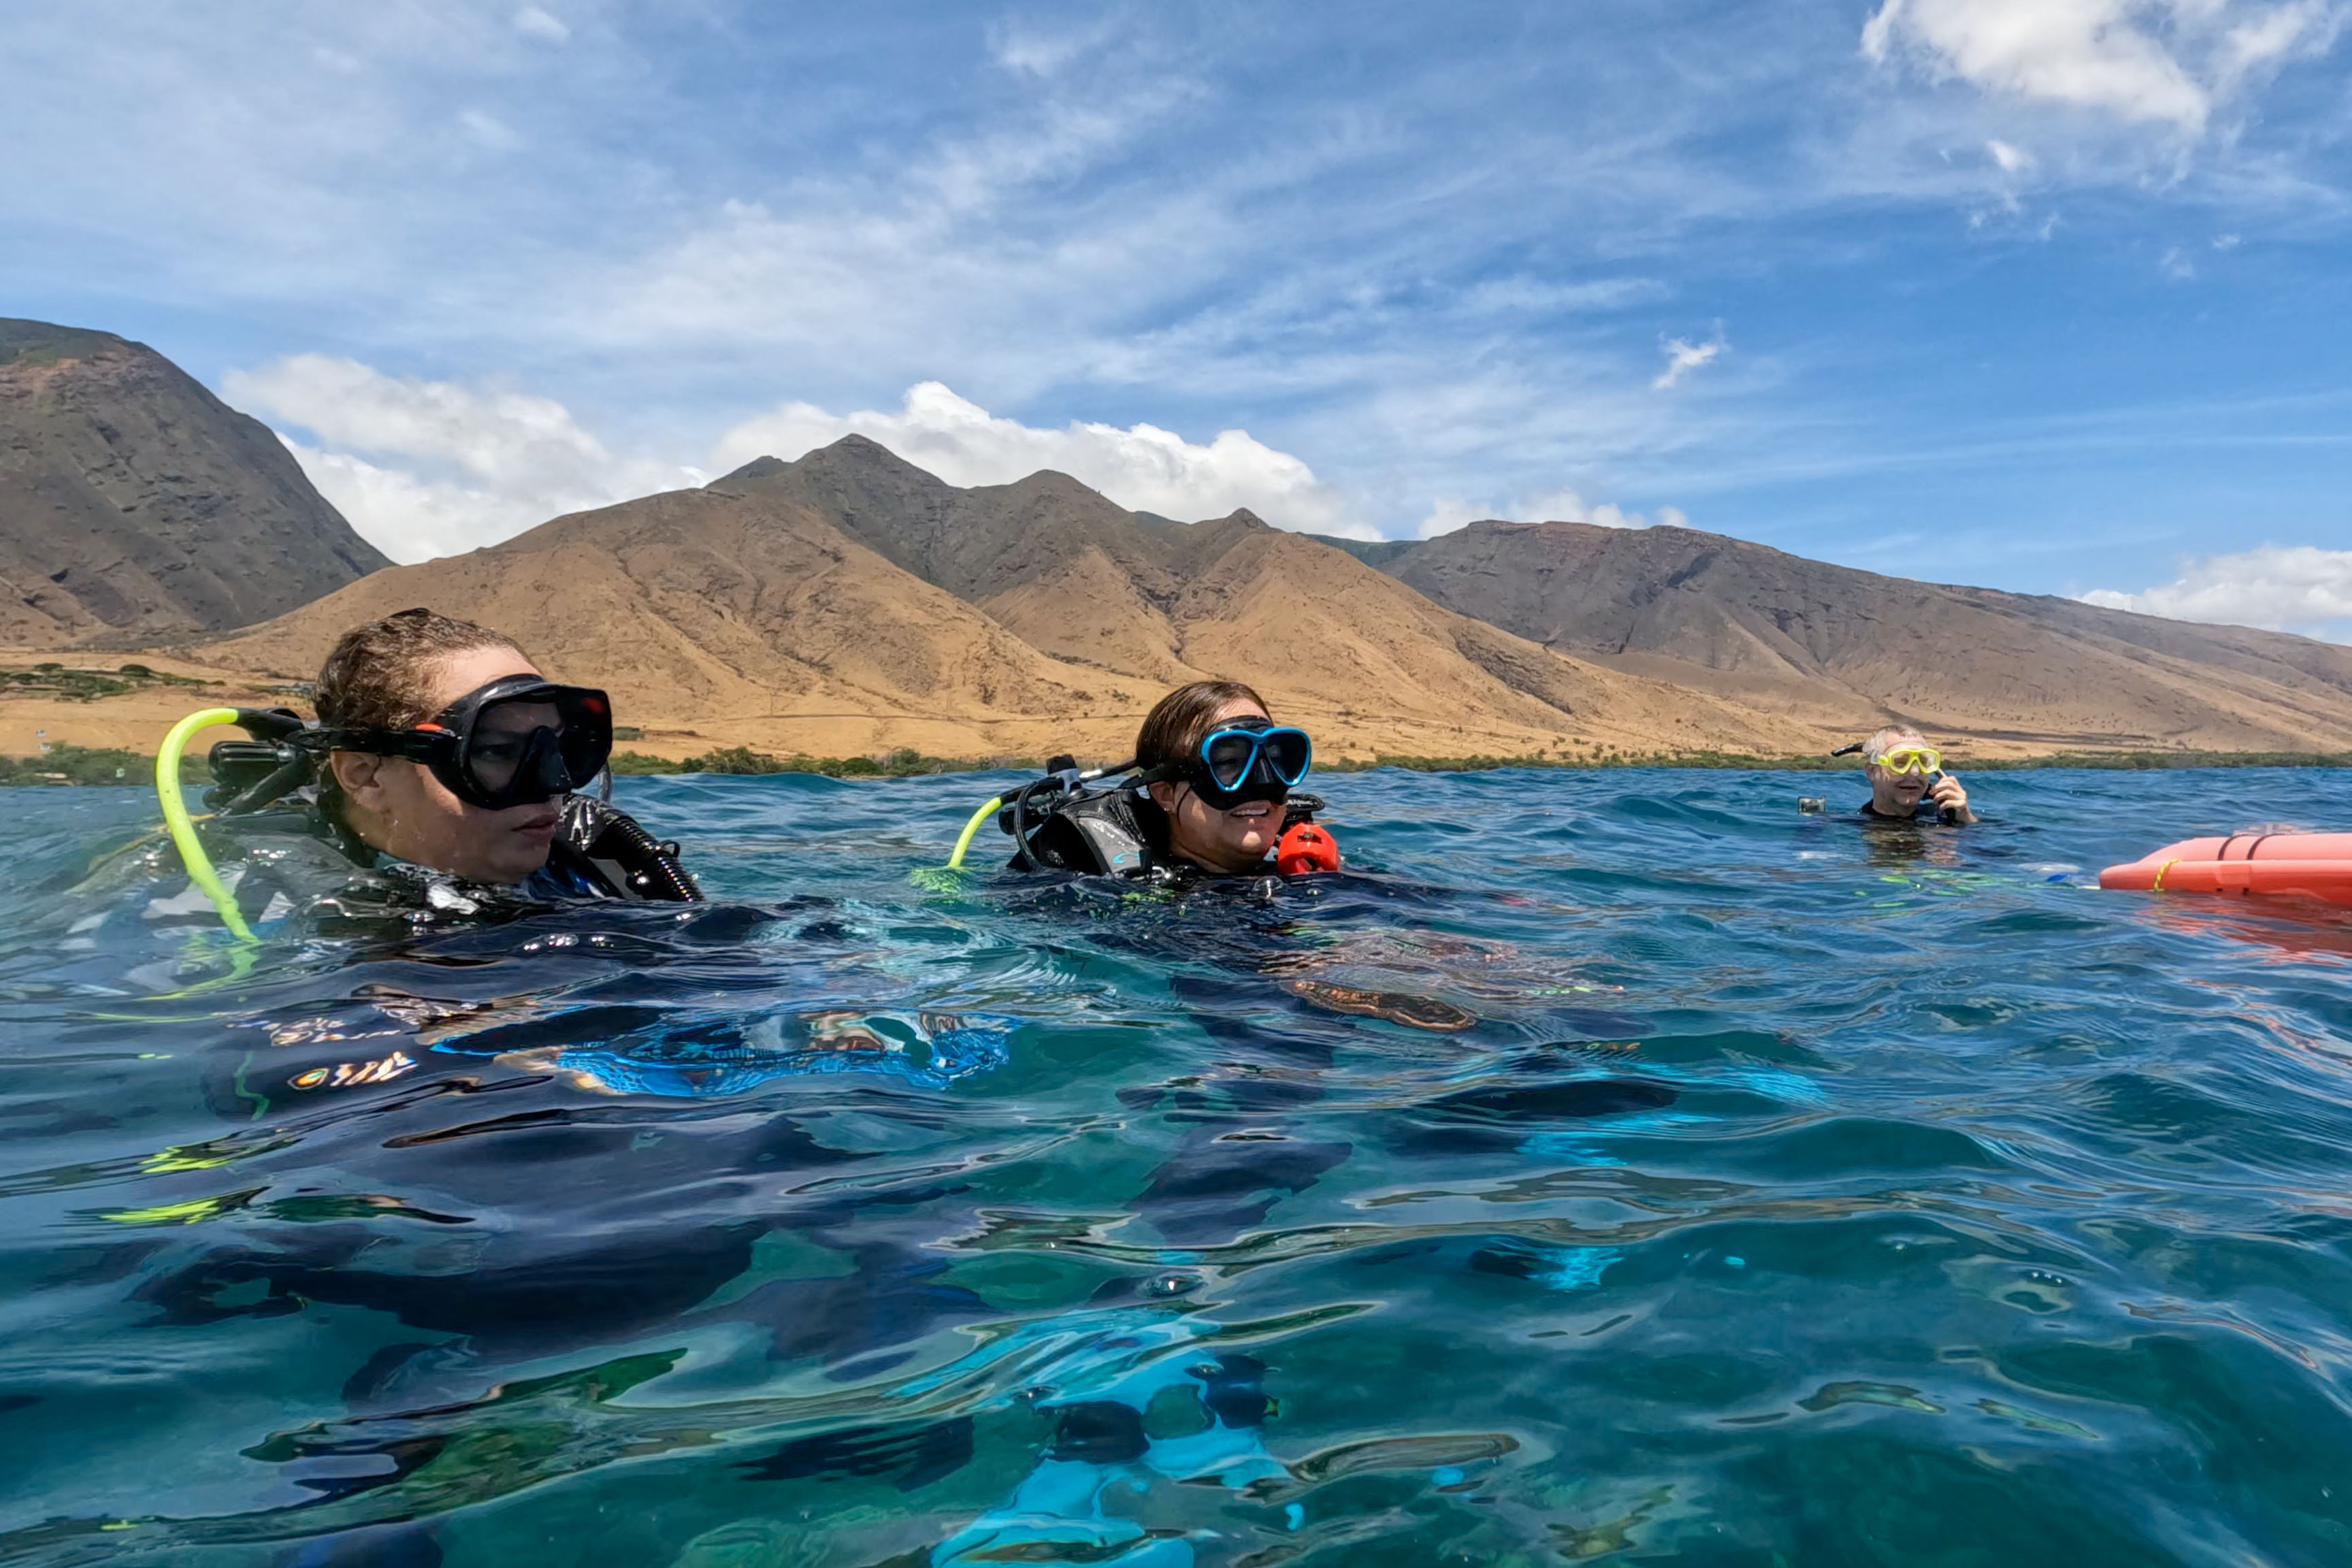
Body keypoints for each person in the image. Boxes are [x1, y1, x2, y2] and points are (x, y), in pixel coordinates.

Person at [1005, 679, 1329, 879]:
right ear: (1165, 794)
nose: (1262, 782)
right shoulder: (1125, 893)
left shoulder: (1315, 879)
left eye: (1275, 759)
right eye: (1229, 762)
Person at [1852, 725, 1975, 825]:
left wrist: (1965, 818)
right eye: (1900, 763)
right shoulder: (1853, 827)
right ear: (1872, 772)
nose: (1915, 772)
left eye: (1923, 762)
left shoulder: (1942, 815)